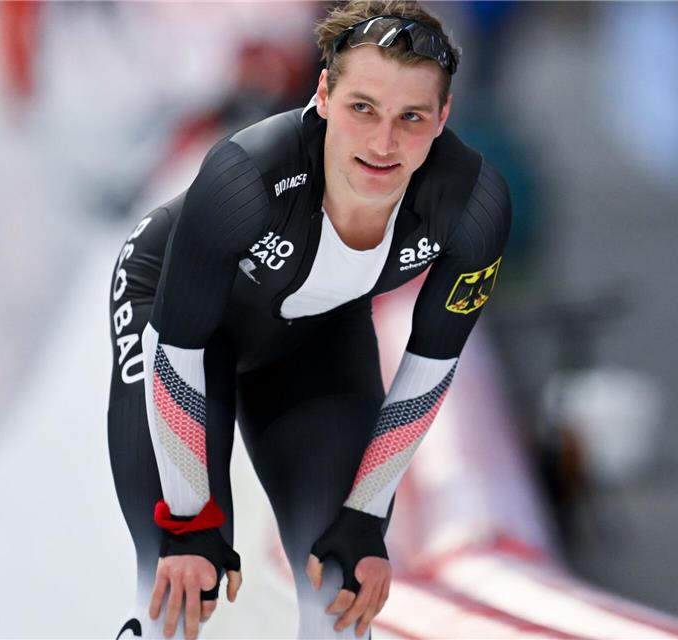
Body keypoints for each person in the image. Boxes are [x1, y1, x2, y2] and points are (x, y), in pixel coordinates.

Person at [106, 2, 512, 638]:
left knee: (341, 594)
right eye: (362, 109)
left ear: (443, 119)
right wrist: (190, 521)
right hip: (176, 324)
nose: (382, 145)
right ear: (323, 95)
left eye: (411, 118)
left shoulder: (472, 206)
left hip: (316, 340)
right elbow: (178, 353)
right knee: (181, 581)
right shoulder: (247, 176)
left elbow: (429, 370)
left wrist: (365, 518)